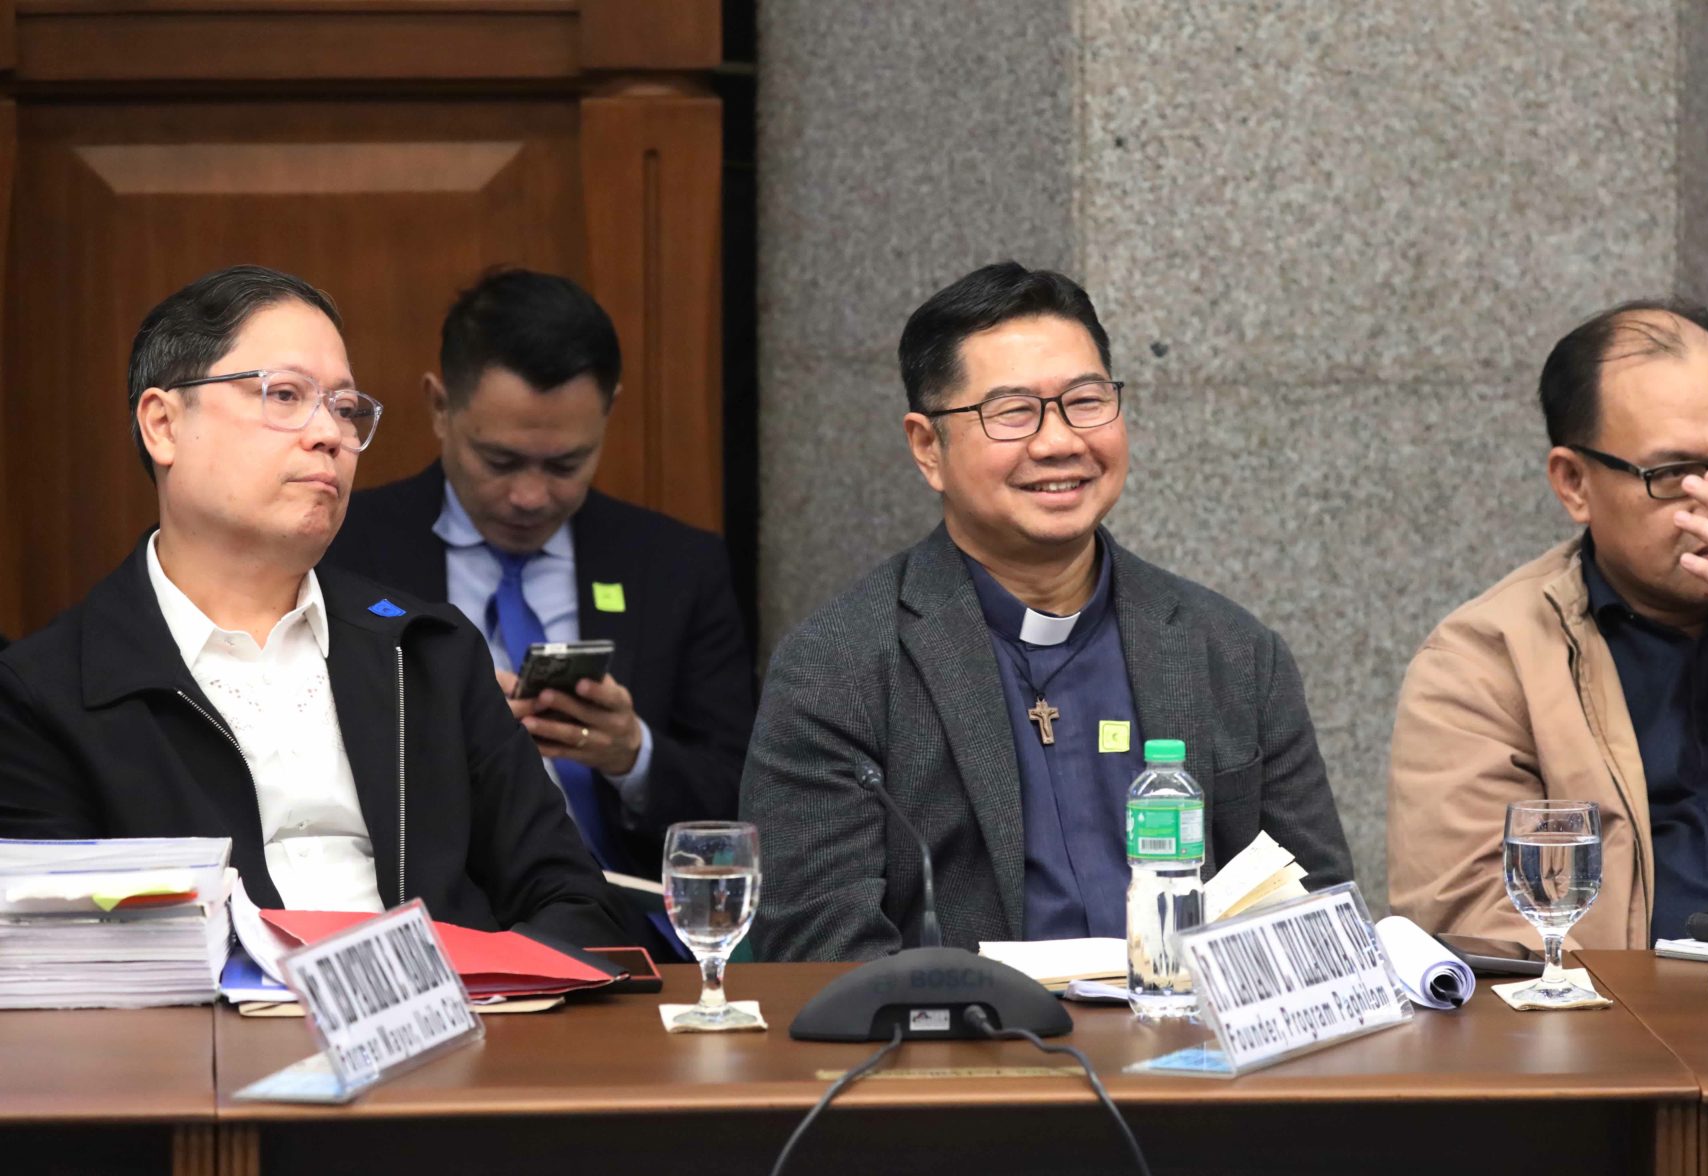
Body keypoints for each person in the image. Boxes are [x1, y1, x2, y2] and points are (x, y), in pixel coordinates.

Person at [0, 265, 625, 947]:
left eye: (345, 408)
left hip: (450, 1032)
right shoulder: (47, 695)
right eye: (287, 395)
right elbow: (59, 971)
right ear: (163, 425)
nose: (329, 434)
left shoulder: (428, 653)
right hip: (213, 1047)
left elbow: (575, 904)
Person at [743, 262, 1351, 961]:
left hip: (1194, 1054)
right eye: (1013, 412)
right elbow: (819, 953)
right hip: (966, 1057)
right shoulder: (839, 668)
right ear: (927, 447)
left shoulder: (1233, 653)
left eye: (1086, 401)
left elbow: (1318, 919)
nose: (1060, 441)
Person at [1388, 300, 1708, 948]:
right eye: (1673, 475)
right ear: (1574, 483)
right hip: (1632, 1039)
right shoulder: (1484, 665)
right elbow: (1473, 936)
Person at [326, 269, 755, 877]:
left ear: (608, 415)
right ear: (440, 408)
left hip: (629, 923)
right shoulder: (344, 551)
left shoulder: (676, 568)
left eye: (565, 465)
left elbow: (746, 796)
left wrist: (633, 755)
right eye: (500, 460)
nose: (529, 497)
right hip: (428, 918)